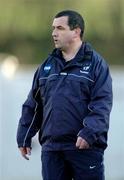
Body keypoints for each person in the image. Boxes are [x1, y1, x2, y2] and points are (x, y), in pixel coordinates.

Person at [17, 10, 113, 180]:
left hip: (85, 149)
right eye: (53, 28)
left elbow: (102, 104)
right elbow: (33, 104)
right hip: (52, 150)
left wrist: (89, 133)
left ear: (76, 32)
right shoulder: (46, 66)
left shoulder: (96, 65)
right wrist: (24, 136)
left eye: (60, 28)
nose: (54, 33)